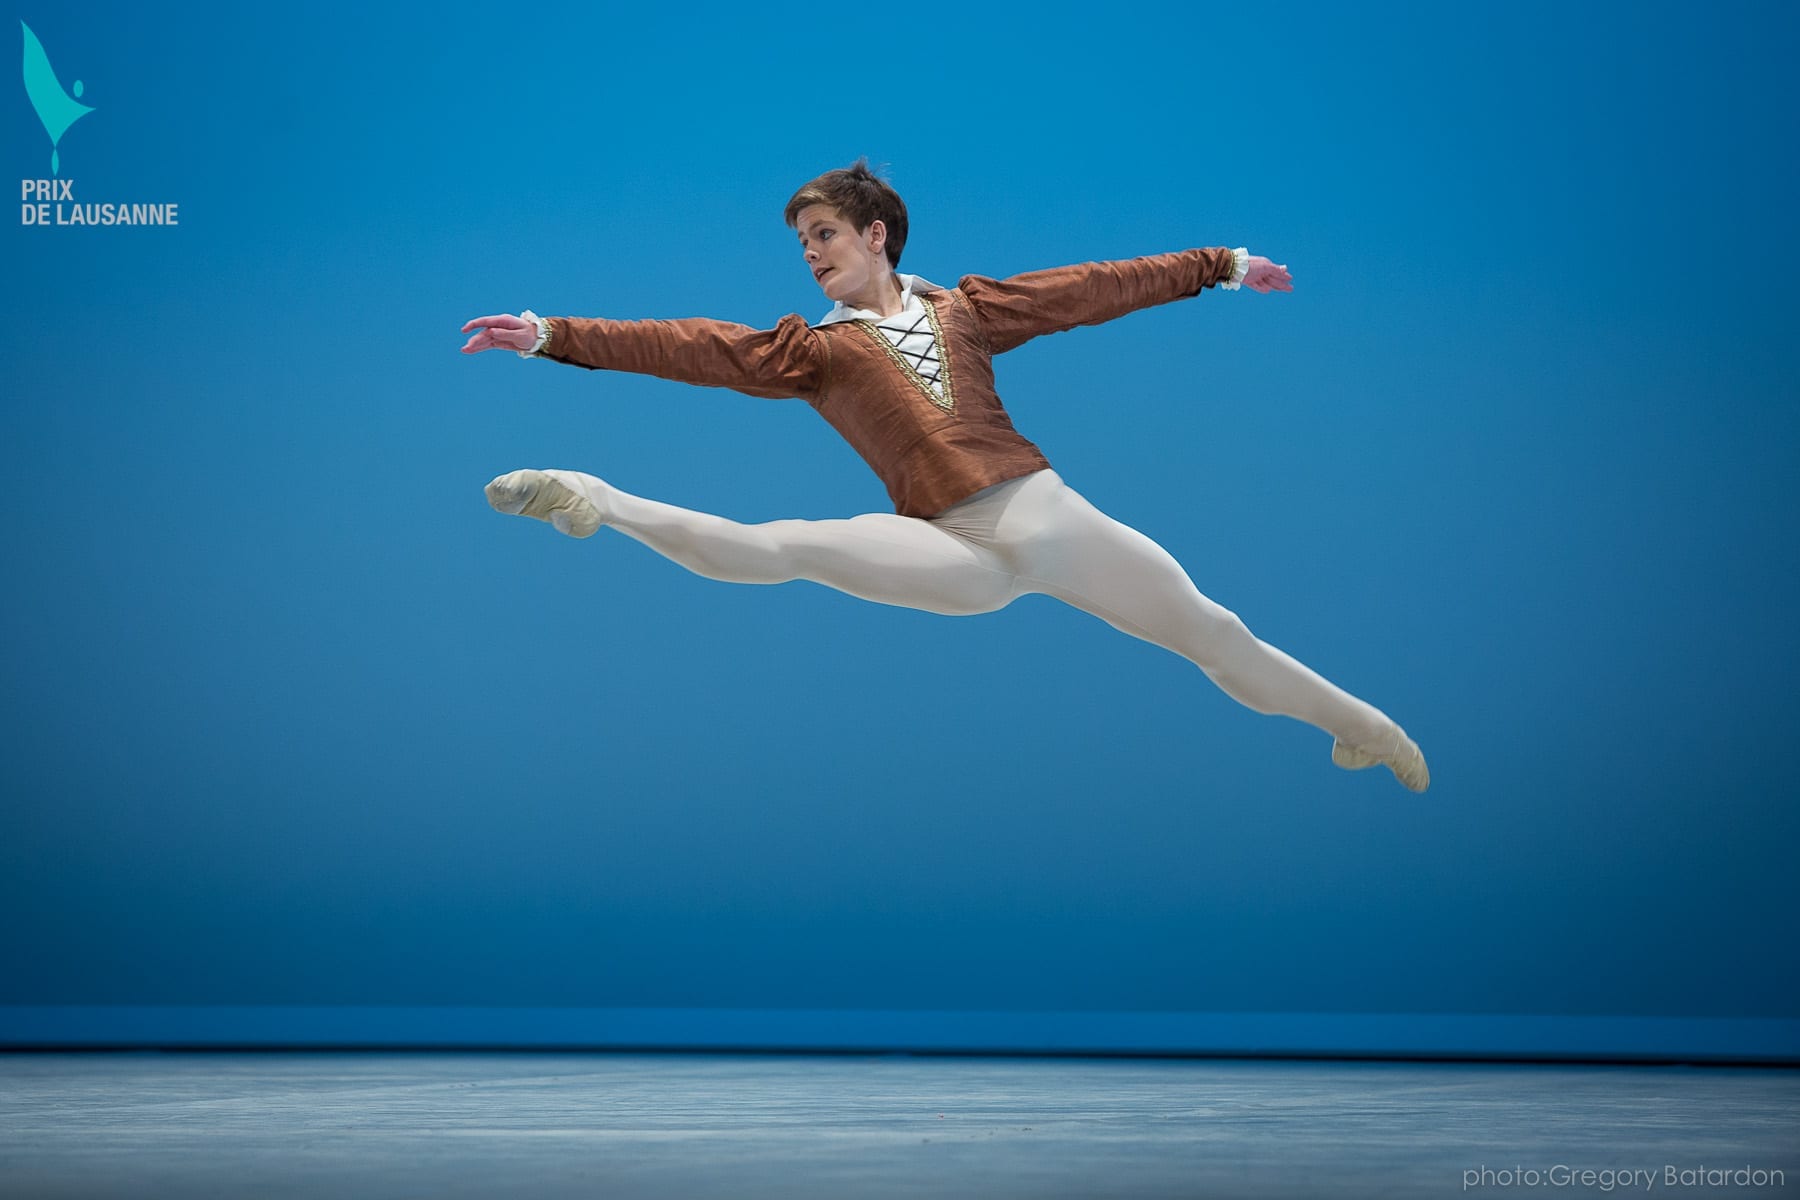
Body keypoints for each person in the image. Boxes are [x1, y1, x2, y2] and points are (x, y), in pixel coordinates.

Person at [459, 160, 1430, 792]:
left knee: (1213, 633)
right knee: (786, 546)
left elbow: (1095, 288)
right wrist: (552, 336)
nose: (810, 257)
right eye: (802, 246)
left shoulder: (967, 309)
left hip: (1042, 516)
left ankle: (1367, 730)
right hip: (945, 545)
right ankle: (597, 496)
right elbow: (691, 347)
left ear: (877, 234)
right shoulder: (810, 351)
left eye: (825, 237)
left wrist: (1223, 263)